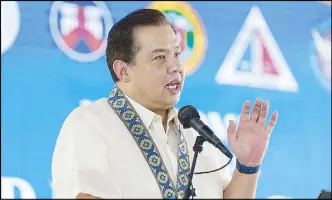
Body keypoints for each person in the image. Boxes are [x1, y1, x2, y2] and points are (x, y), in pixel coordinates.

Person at [51, 8, 278, 199]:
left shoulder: (196, 134)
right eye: (160, 57)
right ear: (123, 70)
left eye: (177, 54)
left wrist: (247, 165)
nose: (175, 67)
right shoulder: (90, 124)